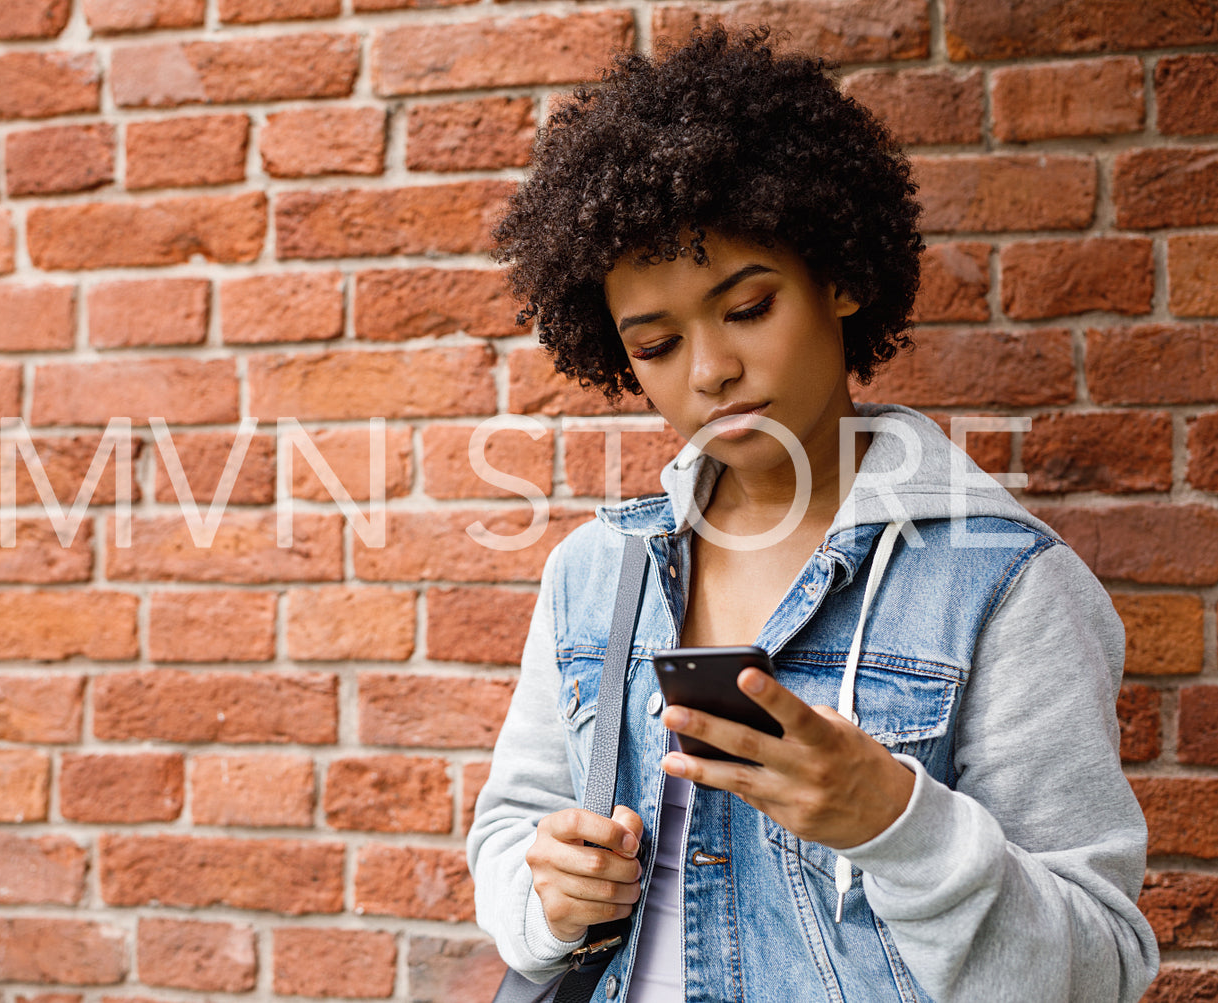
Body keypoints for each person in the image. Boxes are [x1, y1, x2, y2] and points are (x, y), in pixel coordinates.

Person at [465, 25, 1159, 1003]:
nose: (709, 370)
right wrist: (549, 892)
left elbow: (1096, 969)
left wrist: (893, 821)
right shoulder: (599, 566)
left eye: (745, 307)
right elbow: (511, 835)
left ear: (837, 277)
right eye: (657, 343)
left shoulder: (1002, 585)